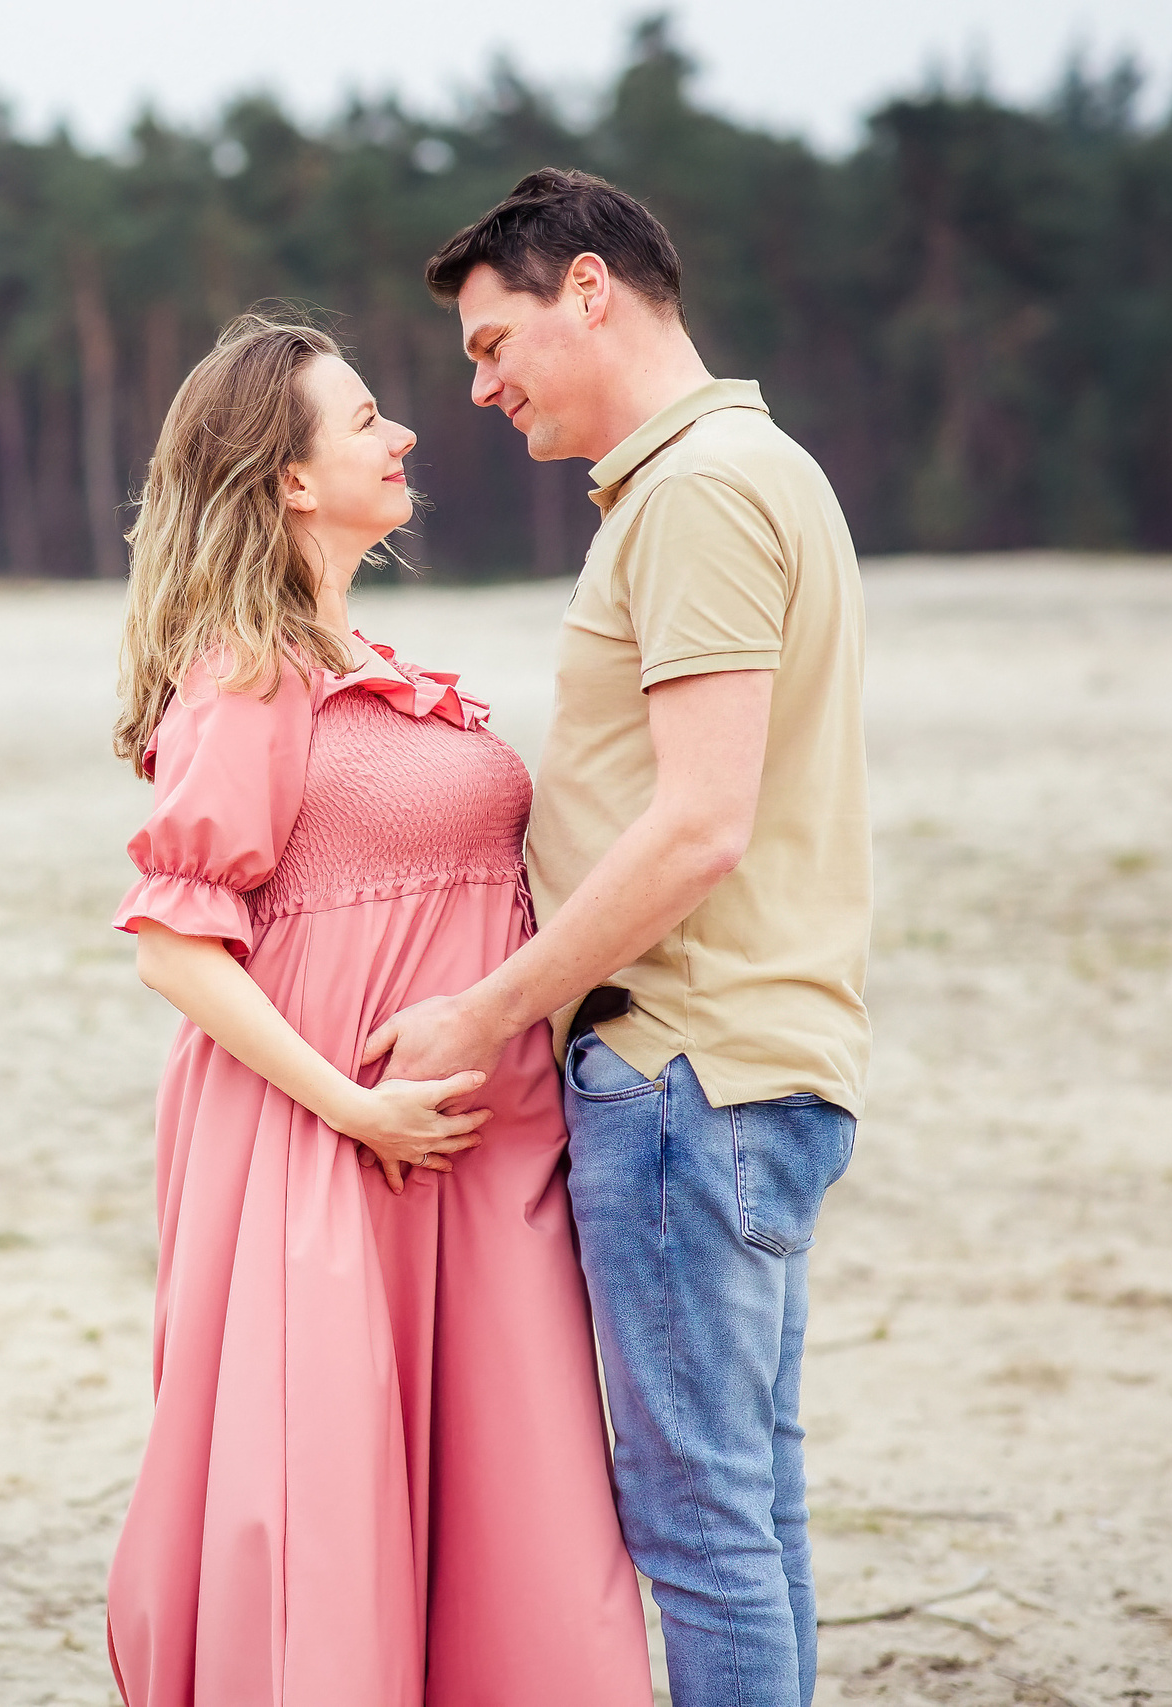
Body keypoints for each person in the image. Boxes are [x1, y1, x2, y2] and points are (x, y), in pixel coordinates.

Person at [366, 168, 871, 1707]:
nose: (481, 384)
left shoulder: (704, 490)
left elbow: (701, 823)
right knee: (746, 1512)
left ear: (591, 288)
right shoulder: (739, 467)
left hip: (683, 1073)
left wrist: (491, 1012)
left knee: (698, 1527)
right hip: (747, 1071)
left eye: (492, 338)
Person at [102, 312, 653, 1707]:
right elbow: (177, 947)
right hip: (327, 1151)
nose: (401, 432)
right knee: (331, 1516)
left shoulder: (371, 663)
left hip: (480, 1158)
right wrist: (357, 1110)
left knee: (517, 1503)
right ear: (288, 479)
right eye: (363, 420)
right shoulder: (247, 671)